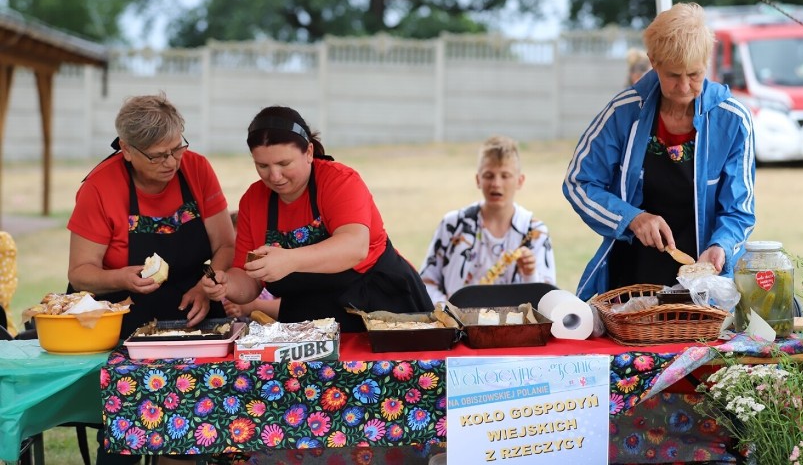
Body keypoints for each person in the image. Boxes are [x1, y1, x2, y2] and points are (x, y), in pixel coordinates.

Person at [66, 93, 234, 465]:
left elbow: (225, 244)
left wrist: (204, 287)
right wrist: (121, 278)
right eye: (157, 155)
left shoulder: (197, 169)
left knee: (194, 424)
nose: (171, 162)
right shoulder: (99, 187)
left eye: (177, 149)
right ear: (126, 149)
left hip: (192, 316)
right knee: (123, 431)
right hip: (123, 319)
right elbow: (79, 275)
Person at [563, 2, 756, 301]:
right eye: (672, 75)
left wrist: (721, 246)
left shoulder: (732, 120)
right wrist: (631, 218)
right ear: (653, 62)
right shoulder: (623, 112)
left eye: (693, 74)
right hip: (630, 281)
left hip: (704, 283)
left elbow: (739, 212)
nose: (683, 87)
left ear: (707, 62)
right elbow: (578, 183)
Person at [202, 105, 433, 332]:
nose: (274, 176)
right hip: (307, 322)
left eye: (284, 164)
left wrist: (290, 260)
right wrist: (227, 284)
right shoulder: (253, 200)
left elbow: (355, 246)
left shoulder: (339, 181)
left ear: (309, 152)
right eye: (262, 165)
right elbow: (249, 280)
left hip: (380, 311)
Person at [419, 135, 556, 304]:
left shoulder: (535, 232)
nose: (496, 184)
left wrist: (530, 273)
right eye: (489, 175)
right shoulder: (452, 225)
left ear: (520, 181)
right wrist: (448, 310)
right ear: (478, 179)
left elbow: (548, 301)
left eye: (505, 176)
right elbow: (426, 283)